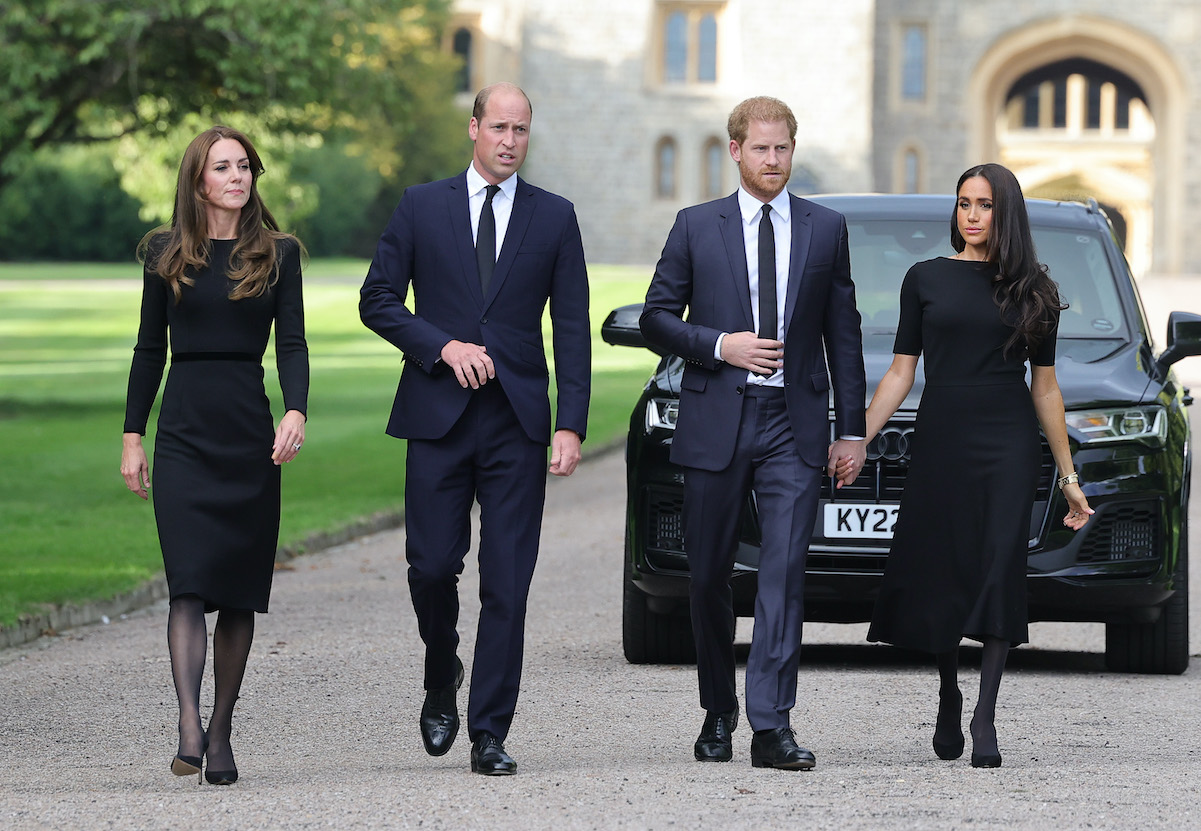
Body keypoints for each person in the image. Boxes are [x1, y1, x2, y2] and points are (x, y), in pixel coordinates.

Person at [359, 82, 590, 776]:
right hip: (437, 415)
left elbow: (572, 329)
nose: (509, 141)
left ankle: (489, 730)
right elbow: (376, 300)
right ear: (473, 128)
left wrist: (570, 423)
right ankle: (441, 666)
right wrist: (440, 346)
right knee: (430, 567)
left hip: (516, 422)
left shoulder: (554, 217)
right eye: (498, 127)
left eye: (521, 130)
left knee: (508, 583)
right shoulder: (420, 206)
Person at [640, 96, 867, 771]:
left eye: (782, 149)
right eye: (760, 149)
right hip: (715, 418)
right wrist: (719, 344)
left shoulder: (824, 228)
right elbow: (656, 317)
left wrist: (849, 431)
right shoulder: (693, 226)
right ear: (734, 150)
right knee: (707, 573)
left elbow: (843, 335)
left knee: (783, 572)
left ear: (792, 151)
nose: (772, 160)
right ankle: (718, 706)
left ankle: (771, 723)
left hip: (791, 427)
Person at [847, 163, 1092, 769]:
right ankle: (949, 692)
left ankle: (985, 712)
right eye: (964, 204)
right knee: (944, 567)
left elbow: (1046, 390)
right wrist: (852, 439)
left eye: (984, 204)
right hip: (942, 438)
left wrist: (1069, 480)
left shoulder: (1034, 289)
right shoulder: (924, 278)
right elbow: (901, 374)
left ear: (1004, 212)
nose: (973, 215)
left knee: (999, 564)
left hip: (1008, 441)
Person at [120, 126, 309, 786]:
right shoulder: (164, 253)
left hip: (246, 433)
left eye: (245, 166)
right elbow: (148, 349)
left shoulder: (279, 253)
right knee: (189, 582)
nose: (237, 176)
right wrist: (132, 435)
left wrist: (295, 408)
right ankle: (189, 726)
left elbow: (293, 343)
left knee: (236, 592)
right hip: (183, 433)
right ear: (198, 179)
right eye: (223, 167)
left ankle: (222, 728)